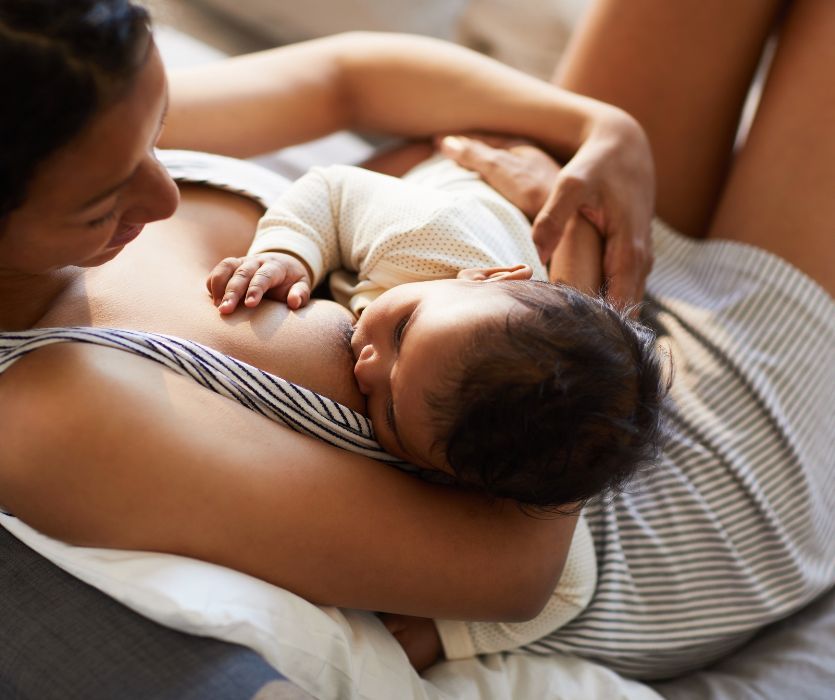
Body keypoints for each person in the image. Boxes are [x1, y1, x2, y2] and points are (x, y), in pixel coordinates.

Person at [0, 0, 831, 692]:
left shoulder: (77, 102)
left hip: (547, 268)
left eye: (159, 131)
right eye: (105, 202)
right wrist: (584, 307)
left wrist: (596, 129)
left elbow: (344, 80)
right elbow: (511, 574)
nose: (167, 187)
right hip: (673, 487)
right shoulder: (50, 409)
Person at [205, 156, 667, 509]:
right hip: (450, 177)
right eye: (404, 331)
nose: (367, 365)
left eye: (388, 410)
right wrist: (290, 254)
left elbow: (571, 584)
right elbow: (333, 192)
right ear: (488, 276)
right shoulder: (429, 236)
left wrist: (446, 633)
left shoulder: (483, 449)